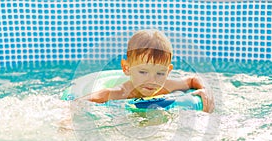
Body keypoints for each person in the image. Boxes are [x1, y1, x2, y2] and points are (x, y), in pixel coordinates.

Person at [80, 29, 214, 113]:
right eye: (143, 72)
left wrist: (204, 90)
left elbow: (192, 79)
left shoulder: (167, 86)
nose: (152, 80)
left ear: (168, 71)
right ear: (126, 68)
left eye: (160, 73)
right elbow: (81, 101)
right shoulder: (121, 93)